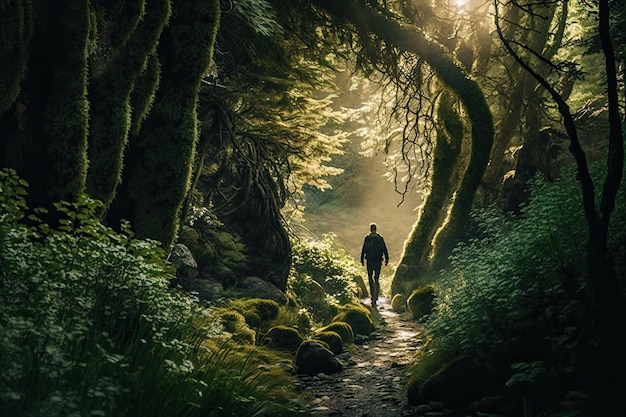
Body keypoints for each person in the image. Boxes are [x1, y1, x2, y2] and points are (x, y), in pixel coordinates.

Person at [360, 223, 389, 308]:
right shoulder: (380, 238)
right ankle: (376, 297)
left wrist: (362, 259)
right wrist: (387, 258)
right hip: (378, 261)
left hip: (369, 260)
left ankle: (372, 297)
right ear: (376, 229)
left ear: (370, 229)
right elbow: (384, 249)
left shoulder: (367, 238)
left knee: (370, 278)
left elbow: (364, 249)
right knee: (376, 278)